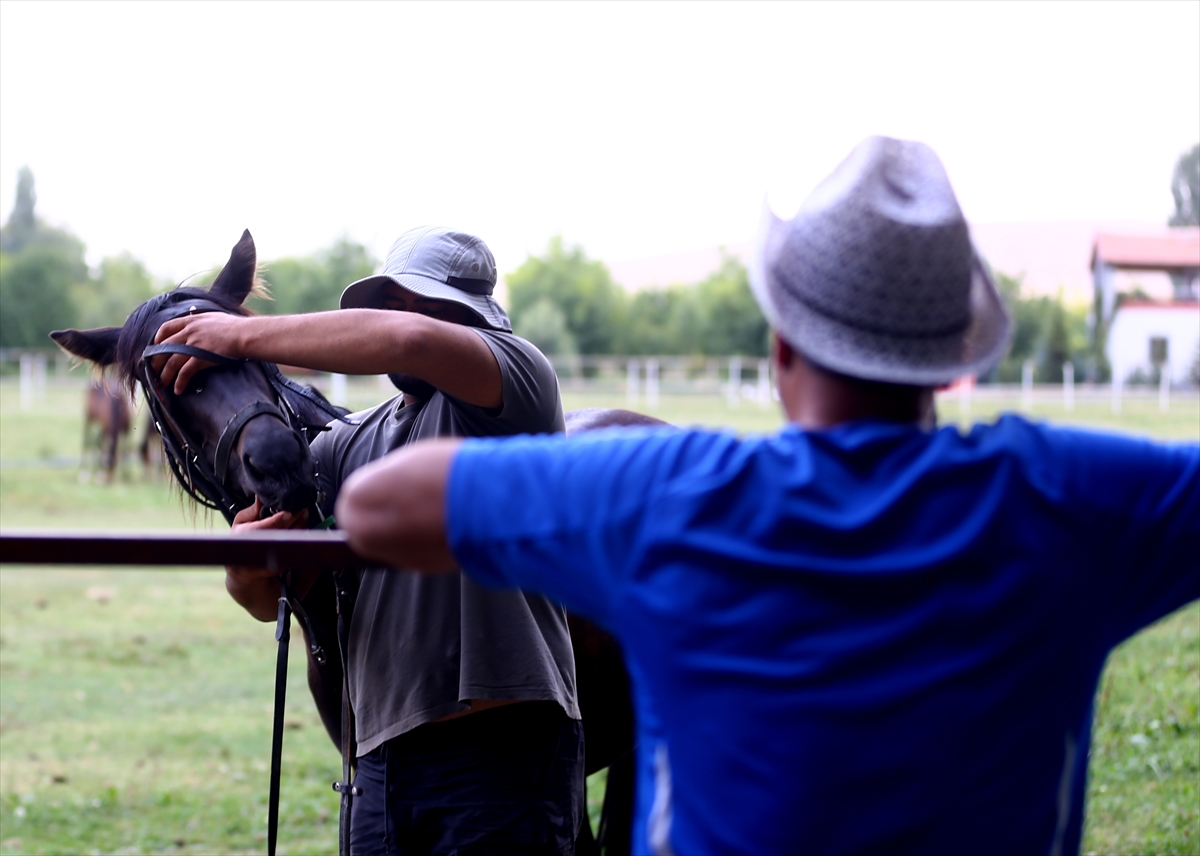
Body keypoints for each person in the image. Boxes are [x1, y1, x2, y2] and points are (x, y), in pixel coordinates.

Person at [332, 138, 1200, 856]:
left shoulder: (673, 495)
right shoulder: (1064, 498)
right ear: (951, 360)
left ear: (783, 349)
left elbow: (380, 505)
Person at [153, 226, 584, 855]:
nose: (400, 316)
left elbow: (408, 340)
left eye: (423, 303)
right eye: (389, 300)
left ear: (470, 321)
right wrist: (246, 564)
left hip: (501, 751)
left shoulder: (518, 385)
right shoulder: (346, 444)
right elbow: (265, 598)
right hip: (380, 760)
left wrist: (236, 333)